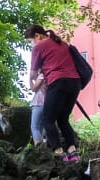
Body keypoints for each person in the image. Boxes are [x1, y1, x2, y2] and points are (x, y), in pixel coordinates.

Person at [23, 25, 81, 162]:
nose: (32, 44)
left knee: (48, 120)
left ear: (38, 36)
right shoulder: (62, 43)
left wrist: (31, 78)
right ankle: (73, 152)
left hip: (57, 82)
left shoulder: (39, 47)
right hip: (74, 83)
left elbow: (33, 74)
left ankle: (59, 152)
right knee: (63, 119)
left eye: (30, 41)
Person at [29, 69, 46, 145]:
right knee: (40, 128)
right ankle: (42, 147)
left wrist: (30, 78)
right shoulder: (47, 75)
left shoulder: (42, 76)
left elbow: (34, 88)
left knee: (34, 127)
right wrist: (33, 79)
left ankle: (38, 147)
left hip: (39, 104)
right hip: (45, 104)